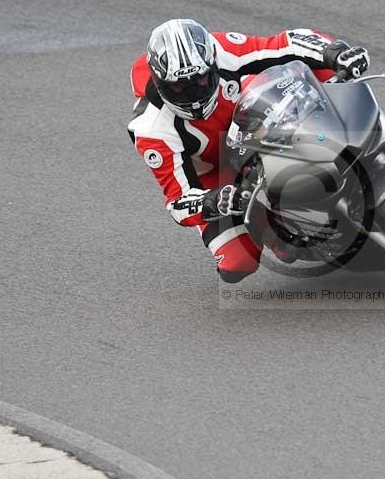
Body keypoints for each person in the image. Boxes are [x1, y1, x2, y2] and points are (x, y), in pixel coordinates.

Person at [128, 19, 370, 283]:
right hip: (216, 176)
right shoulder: (151, 130)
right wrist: (213, 201)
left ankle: (364, 133)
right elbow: (177, 201)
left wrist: (335, 52)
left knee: (322, 70)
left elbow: (282, 44)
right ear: (159, 82)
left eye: (201, 81)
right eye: (178, 87)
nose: (193, 94)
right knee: (237, 264)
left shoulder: (222, 50)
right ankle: (271, 228)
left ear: (212, 64)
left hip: (255, 123)